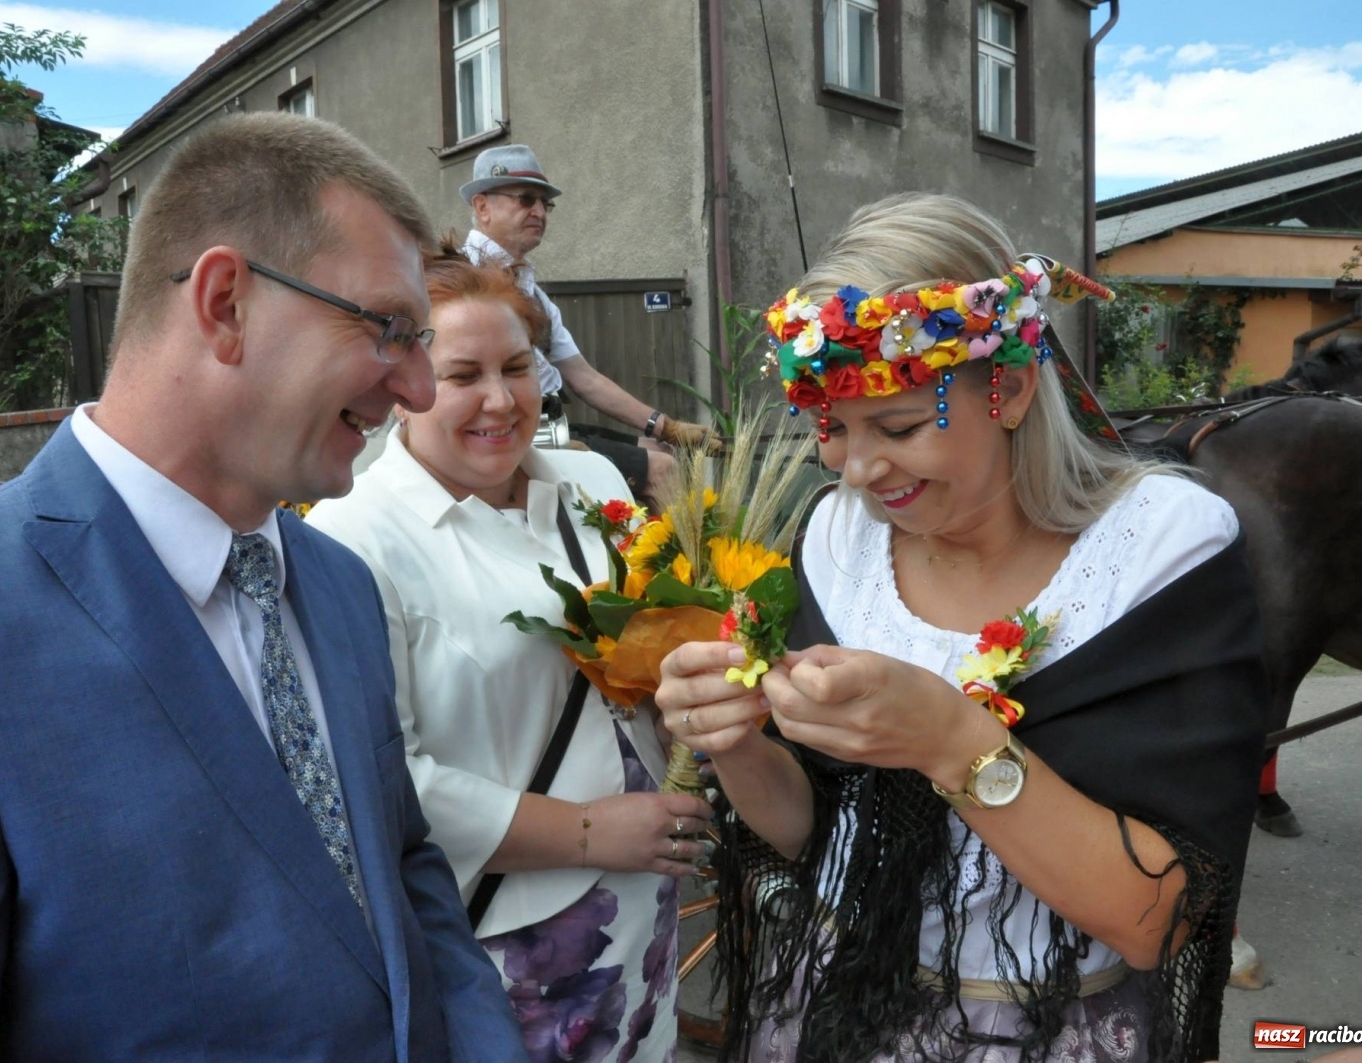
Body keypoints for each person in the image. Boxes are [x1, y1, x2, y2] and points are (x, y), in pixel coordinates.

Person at [0, 113, 526, 1062]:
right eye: (390, 330)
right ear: (226, 301)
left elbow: (403, 875)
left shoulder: (339, 585)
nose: (418, 389)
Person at [655, 193, 1270, 1063]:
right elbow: (812, 838)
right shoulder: (839, 542)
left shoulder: (1156, 555)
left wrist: (955, 742)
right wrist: (737, 742)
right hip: (829, 1013)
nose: (858, 470)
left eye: (899, 426)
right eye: (832, 427)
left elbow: (1157, 922)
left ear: (1012, 388)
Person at [307, 250, 714, 1063]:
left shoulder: (592, 480)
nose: (500, 400)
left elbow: (639, 650)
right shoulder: (349, 541)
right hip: (512, 941)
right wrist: (592, 831)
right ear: (406, 384)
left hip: (647, 908)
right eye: (463, 375)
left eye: (517, 368)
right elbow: (380, 776)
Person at [459, 143, 716, 502]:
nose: (539, 212)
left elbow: (585, 378)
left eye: (545, 203)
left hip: (549, 426)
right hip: (506, 436)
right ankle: (681, 559)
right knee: (662, 472)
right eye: (526, 198)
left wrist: (666, 427)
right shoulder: (461, 281)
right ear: (482, 206)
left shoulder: (533, 293)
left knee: (657, 449)